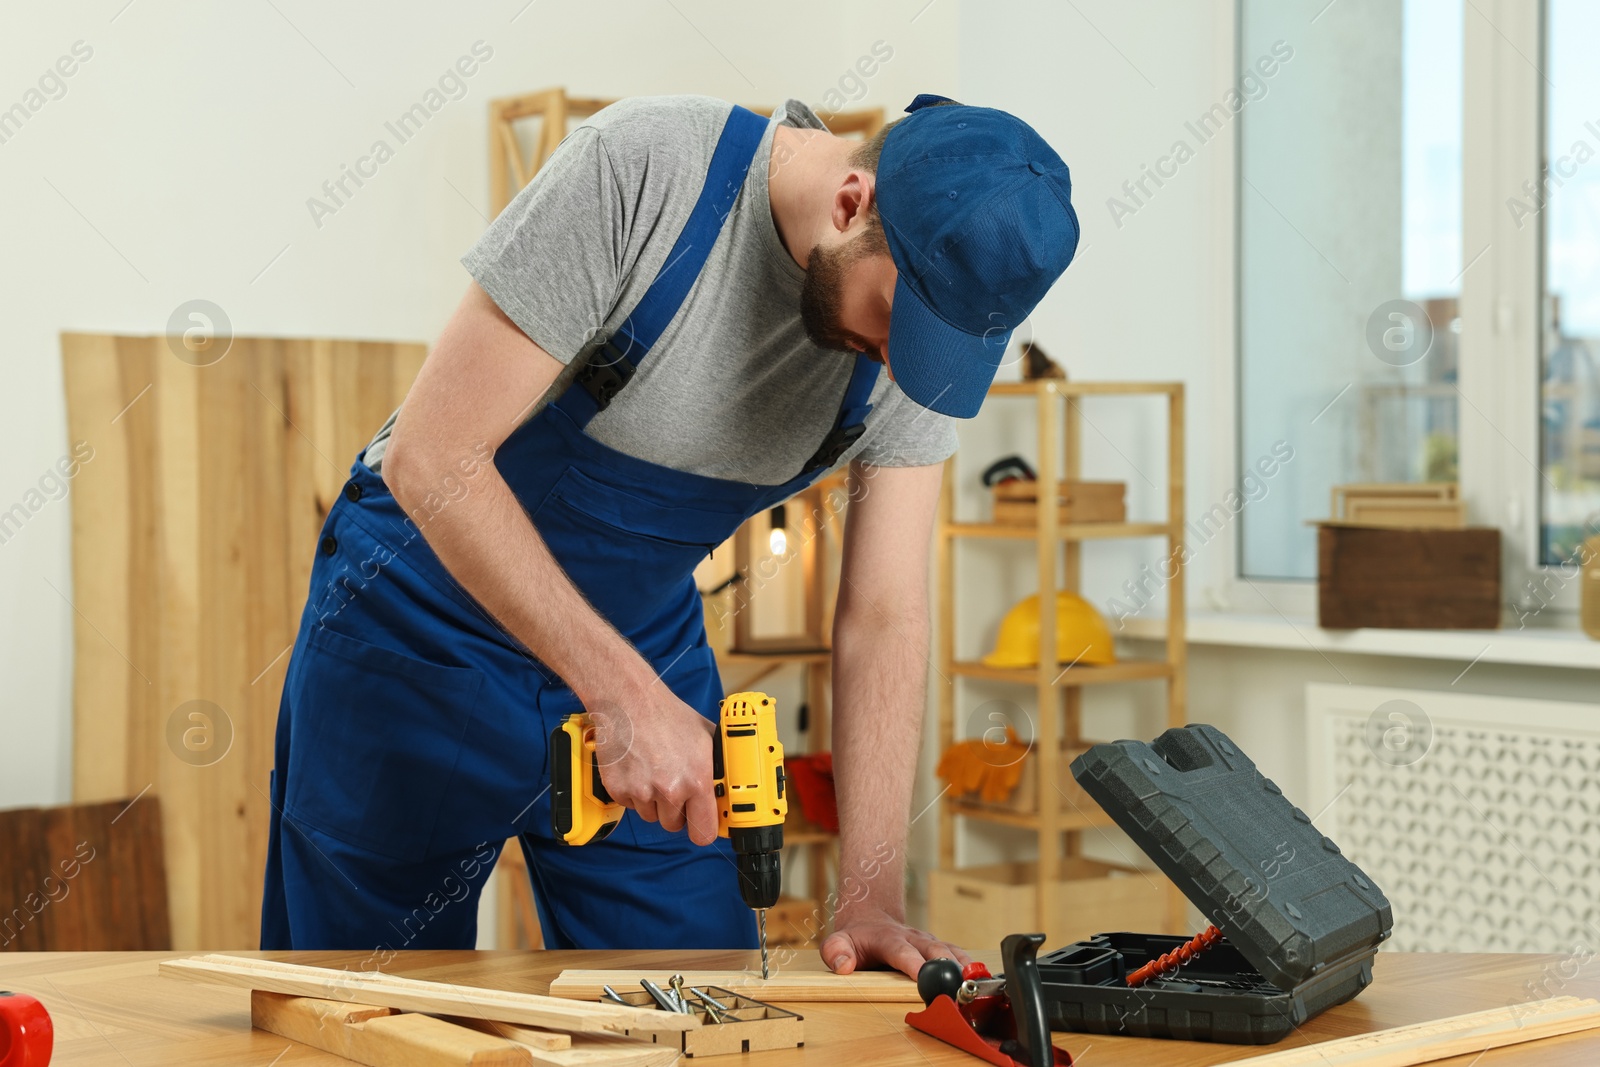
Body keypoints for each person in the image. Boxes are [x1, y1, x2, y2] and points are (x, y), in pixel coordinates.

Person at [260, 92, 1080, 977]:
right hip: (419, 619)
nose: (900, 361)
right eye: (899, 323)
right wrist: (624, 700)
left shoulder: (911, 340)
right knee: (367, 1006)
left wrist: (869, 891)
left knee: (697, 994)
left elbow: (885, 611)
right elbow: (432, 458)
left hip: (641, 640)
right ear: (851, 204)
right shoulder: (646, 171)